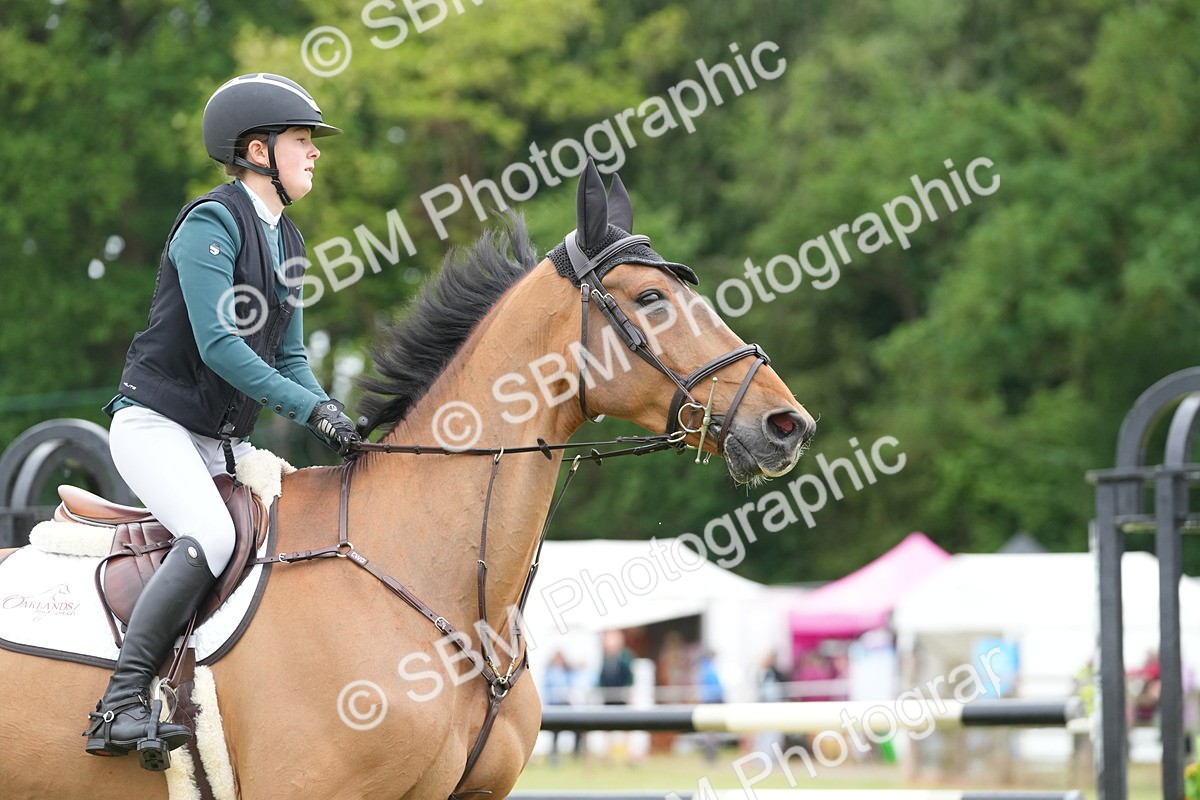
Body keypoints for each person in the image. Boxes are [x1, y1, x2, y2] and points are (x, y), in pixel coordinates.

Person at [82, 73, 360, 770]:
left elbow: (292, 356)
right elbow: (218, 345)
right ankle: (118, 703)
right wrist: (309, 407)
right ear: (258, 150)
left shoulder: (288, 241)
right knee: (209, 532)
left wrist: (335, 414)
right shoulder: (212, 222)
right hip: (155, 425)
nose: (315, 152)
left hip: (218, 441)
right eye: (303, 140)